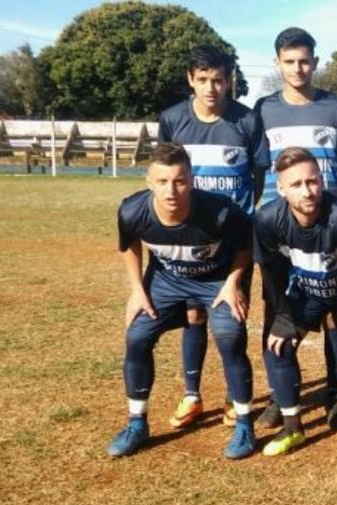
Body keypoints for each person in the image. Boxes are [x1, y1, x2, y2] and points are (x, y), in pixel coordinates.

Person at [107, 143, 256, 459]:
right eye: (162, 182)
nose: (171, 190)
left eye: (179, 181)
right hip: (168, 281)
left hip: (216, 280)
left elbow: (246, 246)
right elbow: (129, 245)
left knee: (230, 336)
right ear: (149, 181)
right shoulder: (132, 211)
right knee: (137, 337)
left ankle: (244, 424)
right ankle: (137, 423)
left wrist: (233, 284)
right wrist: (137, 290)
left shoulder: (221, 212)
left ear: (191, 180)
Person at [158, 44, 271, 429]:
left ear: (229, 81)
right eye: (203, 79)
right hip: (189, 241)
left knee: (231, 319)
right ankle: (191, 395)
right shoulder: (173, 119)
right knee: (193, 315)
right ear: (191, 79)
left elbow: (258, 176)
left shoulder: (247, 121)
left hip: (234, 243)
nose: (211, 88)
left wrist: (237, 216)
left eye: (219, 80)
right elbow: (165, 172)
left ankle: (232, 396)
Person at [255, 27, 337, 431]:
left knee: (333, 313)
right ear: (278, 63)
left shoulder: (336, 107)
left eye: (304, 61)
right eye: (289, 61)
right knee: (277, 308)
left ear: (315, 62)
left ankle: (334, 392)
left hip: (326, 226)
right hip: (281, 231)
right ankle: (282, 396)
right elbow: (259, 162)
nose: (298, 68)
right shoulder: (264, 109)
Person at [254, 147, 337, 462]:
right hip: (308, 291)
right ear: (281, 188)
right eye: (296, 184)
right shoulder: (267, 219)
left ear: (322, 181)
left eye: (312, 181)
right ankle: (293, 427)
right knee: (278, 346)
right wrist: (283, 316)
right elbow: (270, 271)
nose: (307, 191)